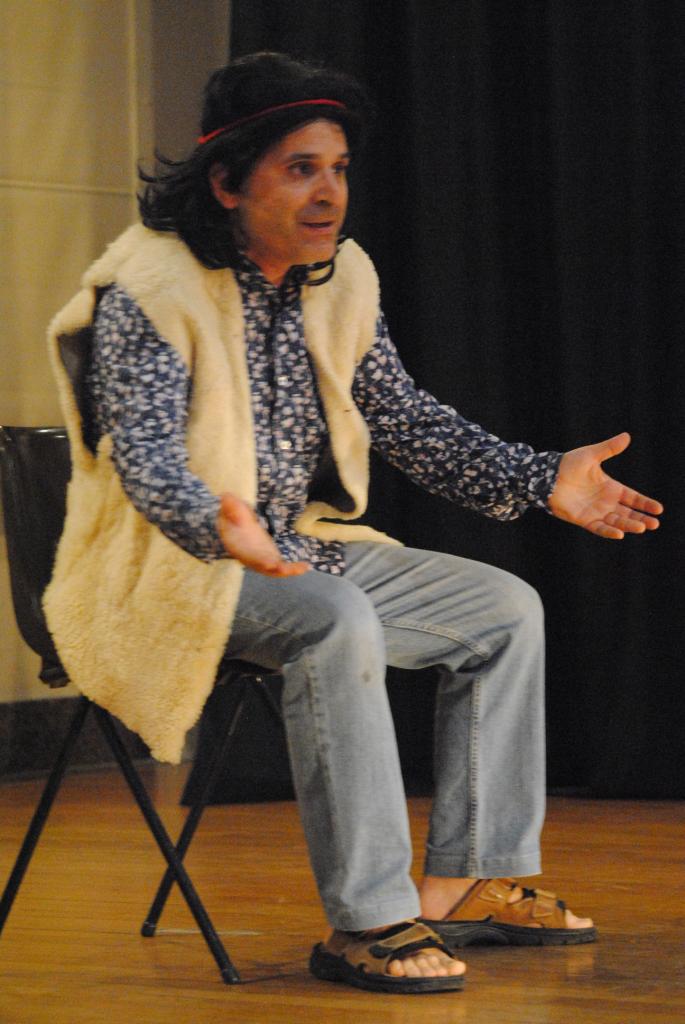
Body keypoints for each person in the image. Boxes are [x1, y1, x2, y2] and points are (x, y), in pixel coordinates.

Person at [45, 52, 662, 995]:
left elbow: (406, 420)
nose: (329, 191)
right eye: (300, 168)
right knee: (335, 620)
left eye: (337, 168)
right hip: (165, 563)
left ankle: (461, 883)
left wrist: (540, 480)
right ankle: (366, 921)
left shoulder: (339, 280)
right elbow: (144, 455)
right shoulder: (150, 288)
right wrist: (215, 523)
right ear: (227, 181)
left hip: (295, 549)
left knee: (503, 609)